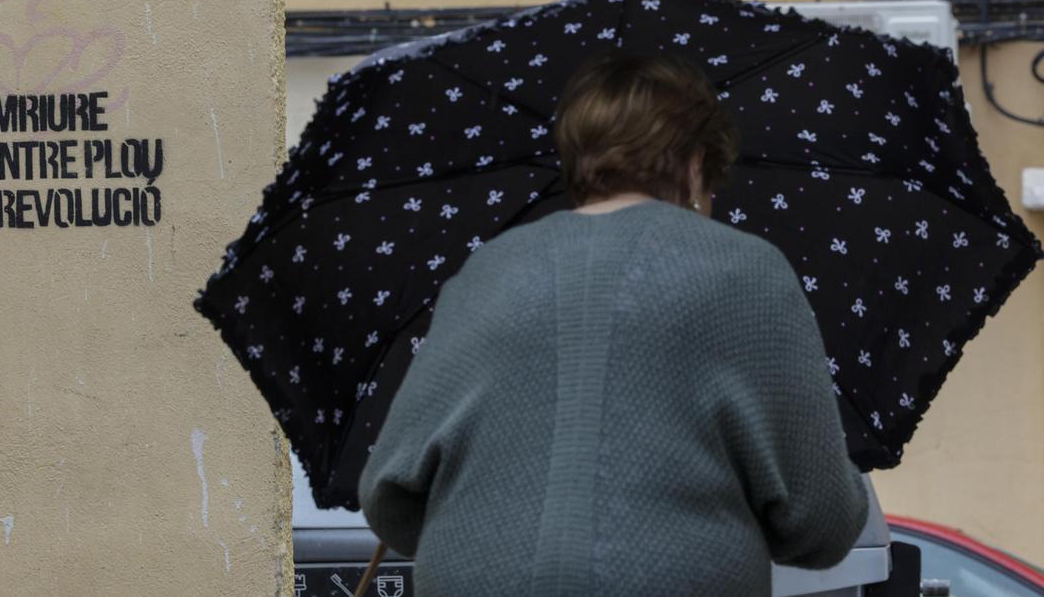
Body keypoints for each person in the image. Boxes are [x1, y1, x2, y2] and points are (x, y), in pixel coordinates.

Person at [357, 49, 870, 596]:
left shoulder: (487, 270)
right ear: (697, 164)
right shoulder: (747, 271)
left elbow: (389, 496)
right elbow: (820, 522)